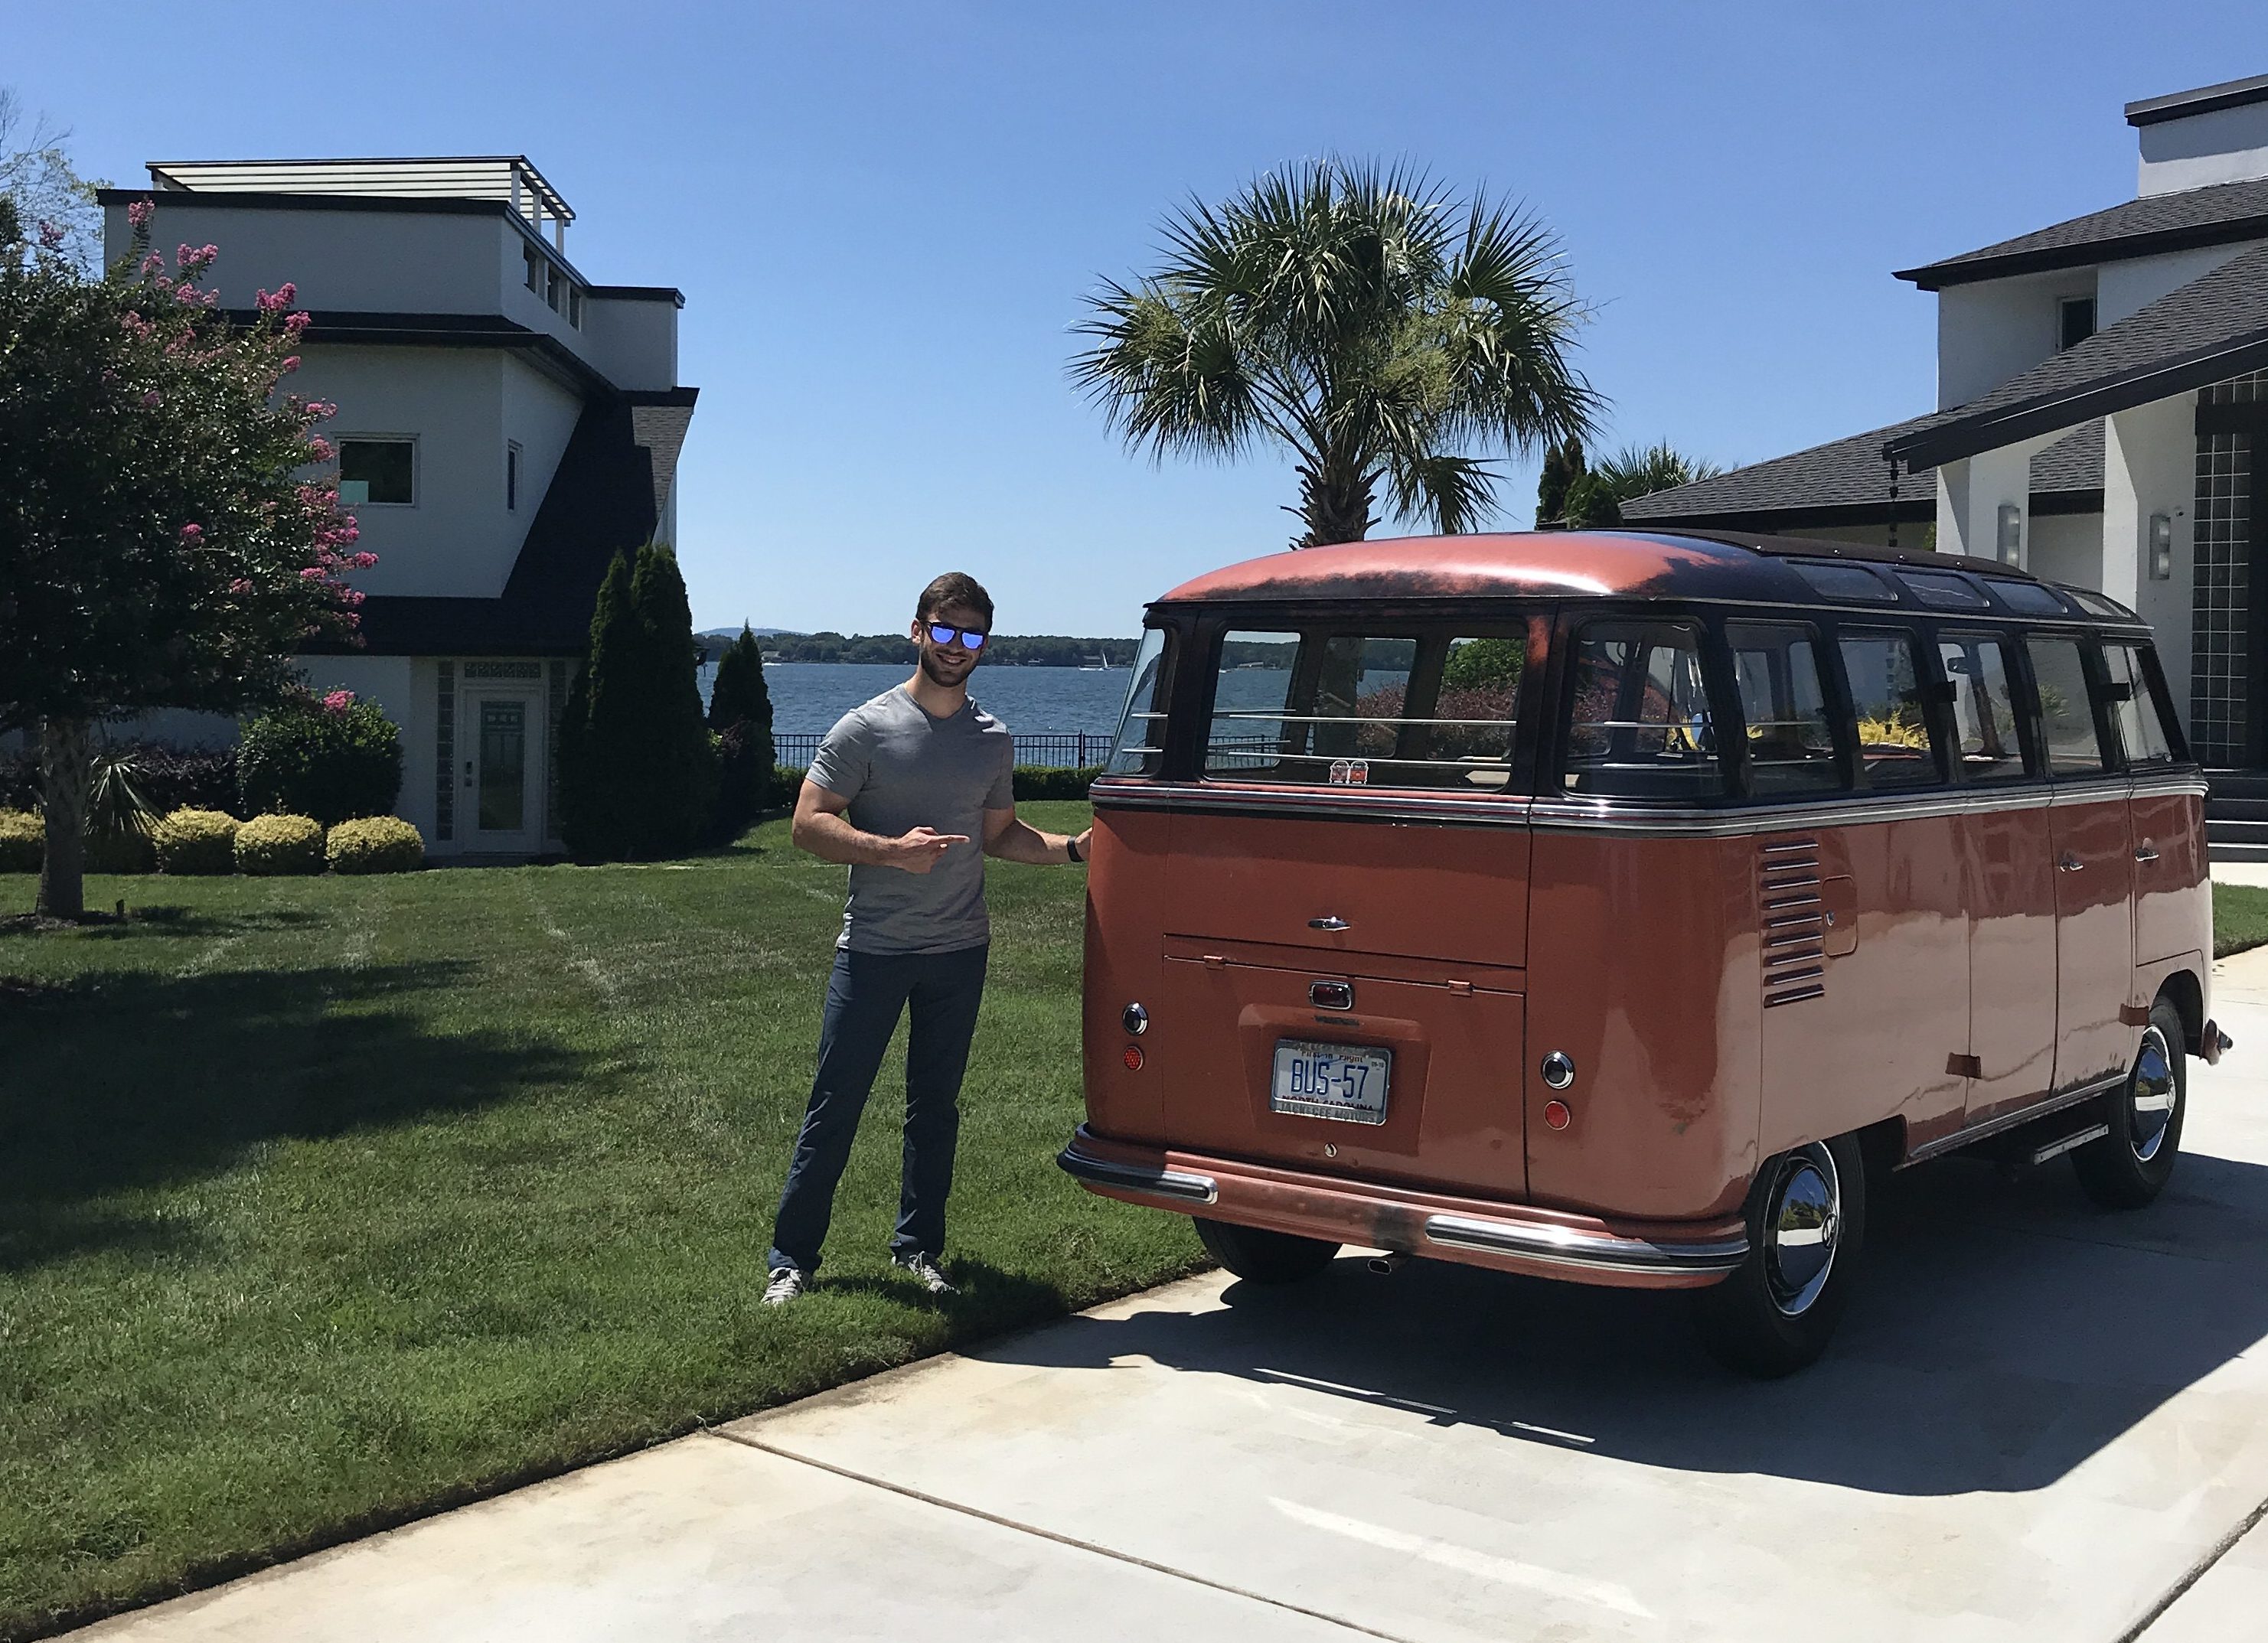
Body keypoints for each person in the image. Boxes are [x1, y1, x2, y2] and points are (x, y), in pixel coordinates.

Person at [763, 572, 1092, 1306]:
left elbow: (1000, 834)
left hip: (959, 951)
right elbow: (806, 824)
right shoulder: (865, 728)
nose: (955, 644)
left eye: (971, 633)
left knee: (935, 1109)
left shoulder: (990, 740)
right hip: (873, 952)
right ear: (917, 630)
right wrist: (889, 851)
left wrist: (1074, 849)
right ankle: (791, 1260)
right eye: (944, 629)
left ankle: (918, 1249)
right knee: (835, 1105)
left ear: (985, 644)